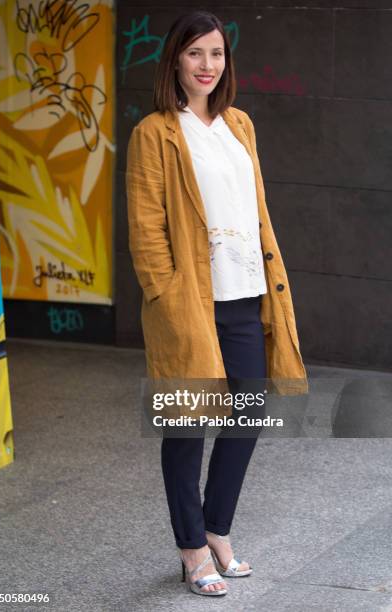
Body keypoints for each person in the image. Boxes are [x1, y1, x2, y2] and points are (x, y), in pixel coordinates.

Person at [126, 10, 307, 598]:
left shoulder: (240, 125)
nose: (207, 66)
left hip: (245, 293)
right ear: (174, 59)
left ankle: (216, 527)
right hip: (189, 304)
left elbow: (252, 209)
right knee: (186, 426)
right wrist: (165, 293)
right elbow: (146, 226)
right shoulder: (155, 132)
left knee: (247, 415)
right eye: (195, 53)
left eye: (217, 54)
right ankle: (191, 548)